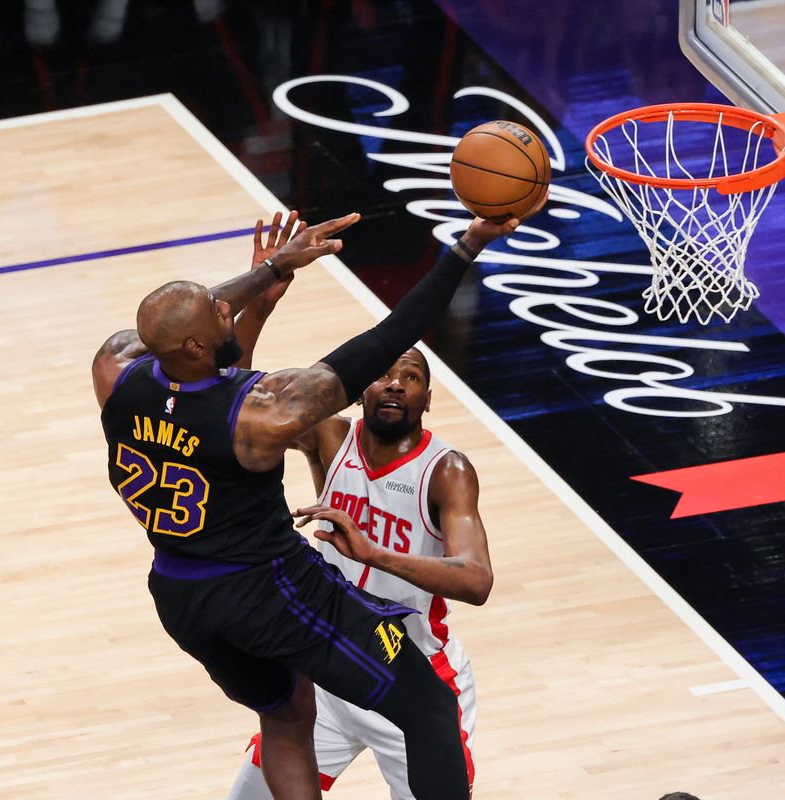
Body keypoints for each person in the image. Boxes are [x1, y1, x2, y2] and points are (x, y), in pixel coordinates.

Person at [93, 209, 517, 800]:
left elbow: (176, 345)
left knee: (288, 710)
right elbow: (391, 336)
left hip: (180, 594)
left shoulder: (116, 374)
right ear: (194, 344)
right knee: (428, 706)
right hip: (267, 590)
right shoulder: (267, 411)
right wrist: (467, 246)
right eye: (218, 310)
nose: (227, 306)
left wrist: (268, 274)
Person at [222, 337, 492, 799]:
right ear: (358, 388)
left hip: (414, 679)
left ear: (427, 399)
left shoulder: (447, 470)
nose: (396, 384)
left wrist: (375, 554)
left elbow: (477, 579)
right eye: (384, 373)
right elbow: (239, 403)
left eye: (411, 377)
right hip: (329, 672)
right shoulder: (330, 437)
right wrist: (261, 307)